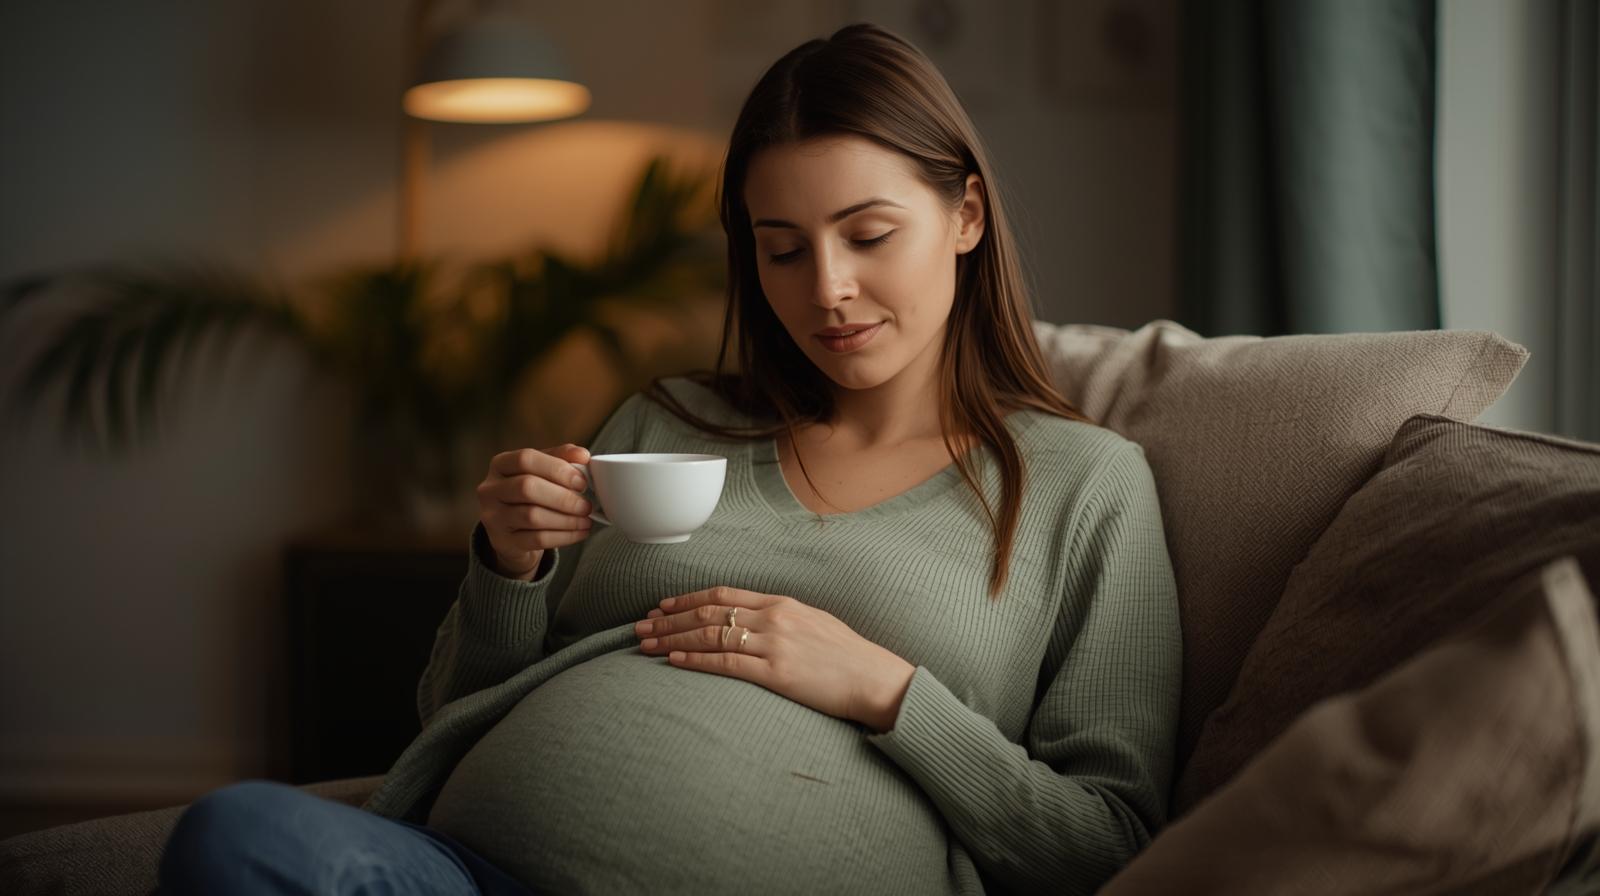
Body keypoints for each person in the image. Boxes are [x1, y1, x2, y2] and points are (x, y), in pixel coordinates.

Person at [158, 21, 1181, 896]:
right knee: (238, 834)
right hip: (474, 869)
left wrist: (880, 685)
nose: (825, 288)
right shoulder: (667, 420)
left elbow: (1107, 844)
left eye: (867, 234)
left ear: (964, 215)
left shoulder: (1085, 486)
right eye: (781, 249)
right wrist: (511, 566)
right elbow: (447, 715)